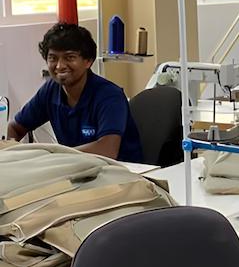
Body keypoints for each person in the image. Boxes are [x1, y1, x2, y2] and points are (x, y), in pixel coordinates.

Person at [6, 23, 143, 163]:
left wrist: (52, 157)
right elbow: (15, 128)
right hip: (76, 169)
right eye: (53, 58)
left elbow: (107, 150)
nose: (59, 66)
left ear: (88, 61)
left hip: (121, 173)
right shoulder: (50, 90)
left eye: (69, 57)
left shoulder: (109, 96)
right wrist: (11, 153)